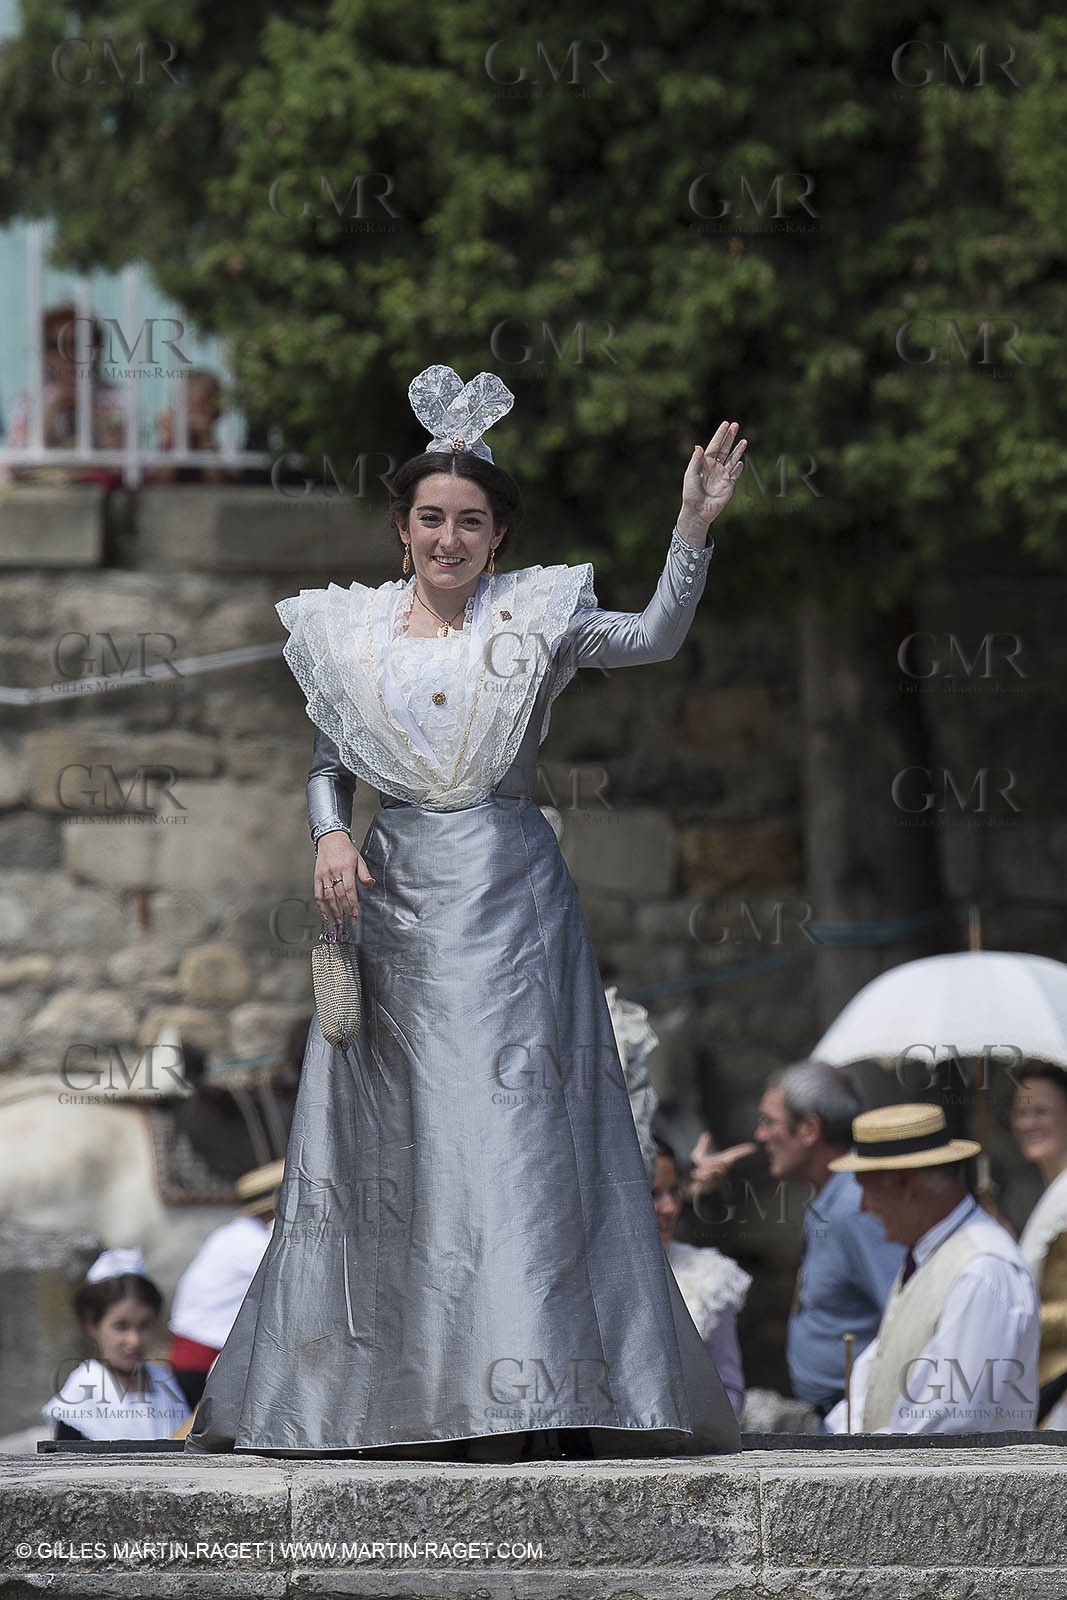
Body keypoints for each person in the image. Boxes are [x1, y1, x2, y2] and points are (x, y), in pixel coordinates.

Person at [185, 362, 748, 1463]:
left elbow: (651, 640)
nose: (450, 538)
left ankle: (536, 1394)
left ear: (496, 536)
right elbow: (324, 768)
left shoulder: (535, 618)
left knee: (517, 1135)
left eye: (471, 521)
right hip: (392, 904)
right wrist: (329, 834)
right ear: (402, 529)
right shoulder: (353, 638)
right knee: (404, 1145)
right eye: (432, 519)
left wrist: (690, 528)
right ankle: (398, 1393)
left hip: (509, 898)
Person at [690, 1061, 903, 1415]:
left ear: (808, 1129)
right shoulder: (833, 1197)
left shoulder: (855, 1206)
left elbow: (898, 1315)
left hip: (857, 1419)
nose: (760, 1136)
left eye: (769, 1122)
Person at [824, 1104, 1039, 1434]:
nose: (863, 1206)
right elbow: (877, 1374)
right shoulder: (931, 1255)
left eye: (865, 1188)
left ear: (907, 1184)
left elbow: (947, 1419)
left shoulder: (982, 1269)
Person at [42, 1247, 190, 1442]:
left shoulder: (164, 1383)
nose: (134, 1340)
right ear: (92, 1326)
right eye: (121, 1327)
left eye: (144, 1325)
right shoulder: (79, 1399)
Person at [167, 1160, 283, 1407]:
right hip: (205, 1363)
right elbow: (290, 1283)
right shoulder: (251, 1242)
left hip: (199, 1358)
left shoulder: (235, 1234)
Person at [652, 1137, 750, 1418]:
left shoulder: (708, 1277)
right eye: (652, 1194)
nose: (670, 1207)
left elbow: (729, 1391)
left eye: (674, 1191)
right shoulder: (588, 1278)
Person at [1010, 1062, 1067, 1424]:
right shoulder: (1051, 1195)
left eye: (1041, 1111)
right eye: (1020, 1112)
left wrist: (1013, 1316)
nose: (1028, 1123)